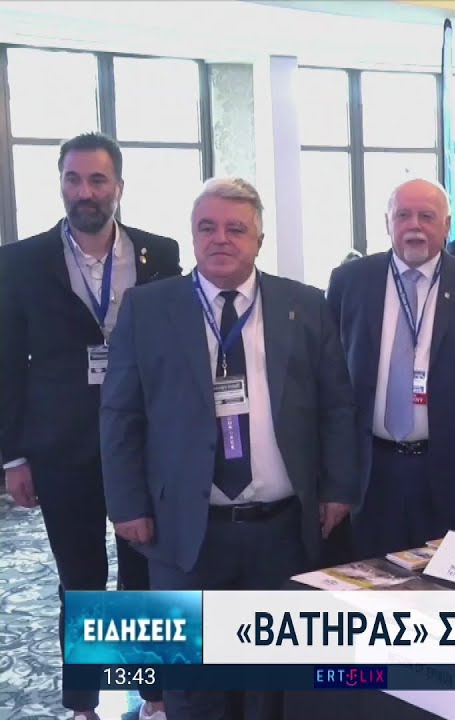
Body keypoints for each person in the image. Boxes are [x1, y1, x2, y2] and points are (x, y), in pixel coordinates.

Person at [100, 177, 359, 719]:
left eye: (236, 228)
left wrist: (338, 488)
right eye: (207, 227)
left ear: (259, 239)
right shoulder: (147, 308)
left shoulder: (304, 304)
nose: (220, 238)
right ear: (192, 236)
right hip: (182, 529)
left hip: (281, 528)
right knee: (192, 681)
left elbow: (337, 404)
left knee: (271, 678)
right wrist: (125, 504)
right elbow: (120, 413)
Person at [0, 131, 180, 720]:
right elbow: (7, 361)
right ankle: (84, 705)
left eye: (98, 179)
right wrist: (13, 456)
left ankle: (152, 695)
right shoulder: (20, 262)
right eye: (74, 179)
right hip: (61, 447)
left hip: (143, 444)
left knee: (143, 576)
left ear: (119, 187)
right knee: (80, 579)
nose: (85, 192)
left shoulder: (159, 254)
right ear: (60, 184)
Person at [327, 179, 455, 557]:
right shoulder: (350, 282)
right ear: (387, 222)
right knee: (375, 581)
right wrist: (332, 479)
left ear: (447, 225)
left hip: (451, 473)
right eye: (403, 215)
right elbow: (329, 385)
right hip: (371, 473)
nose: (414, 225)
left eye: (427, 216)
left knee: (443, 584)